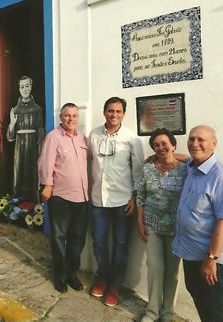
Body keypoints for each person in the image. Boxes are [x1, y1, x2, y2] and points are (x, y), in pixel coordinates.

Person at [172, 125, 223, 321]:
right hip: (191, 253)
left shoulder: (221, 177)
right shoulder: (194, 165)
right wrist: (158, 157)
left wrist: (211, 259)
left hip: (209, 258)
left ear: (214, 145)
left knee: (216, 309)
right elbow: (187, 157)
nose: (195, 144)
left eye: (201, 140)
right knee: (201, 300)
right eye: (192, 139)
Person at [88, 97, 144, 306]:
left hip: (123, 201)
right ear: (104, 112)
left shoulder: (131, 138)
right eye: (110, 111)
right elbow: (87, 163)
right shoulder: (93, 135)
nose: (114, 115)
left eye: (118, 112)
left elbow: (138, 171)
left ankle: (115, 286)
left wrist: (135, 197)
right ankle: (102, 278)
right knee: (100, 243)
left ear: (123, 114)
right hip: (98, 200)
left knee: (121, 245)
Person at [137, 128, 187, 322]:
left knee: (172, 272)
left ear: (173, 145)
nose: (161, 148)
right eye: (156, 145)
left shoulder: (185, 168)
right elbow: (140, 195)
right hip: (152, 226)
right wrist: (140, 221)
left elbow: (198, 158)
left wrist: (173, 155)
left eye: (164, 143)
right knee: (155, 267)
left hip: (176, 229)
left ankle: (167, 313)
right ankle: (152, 312)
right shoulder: (148, 168)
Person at [38, 103, 89, 293]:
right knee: (59, 237)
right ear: (61, 117)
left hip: (81, 197)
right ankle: (59, 275)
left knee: (78, 239)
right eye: (67, 115)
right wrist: (47, 185)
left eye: (74, 116)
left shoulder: (83, 139)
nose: (71, 119)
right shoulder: (53, 137)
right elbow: (45, 163)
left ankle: (71, 274)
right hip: (60, 196)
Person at [7, 76, 44, 202]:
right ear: (19, 89)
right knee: (19, 174)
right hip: (19, 147)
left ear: (31, 86)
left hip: (33, 147)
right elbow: (10, 137)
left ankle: (33, 206)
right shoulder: (15, 110)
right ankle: (18, 206)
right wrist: (12, 124)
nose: (25, 89)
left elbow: (40, 130)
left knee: (33, 174)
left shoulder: (37, 109)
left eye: (27, 86)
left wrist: (40, 151)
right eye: (22, 87)